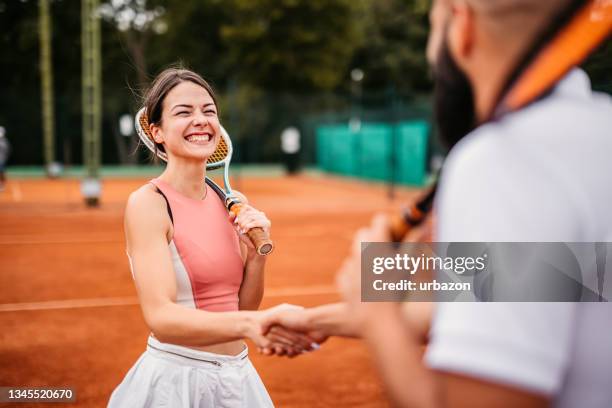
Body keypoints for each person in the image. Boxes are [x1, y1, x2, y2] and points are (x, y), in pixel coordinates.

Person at [263, 0, 612, 407]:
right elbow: (533, 283)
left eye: (432, 28)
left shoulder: (504, 159)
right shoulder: (597, 132)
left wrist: (374, 313)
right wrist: (315, 320)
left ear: (461, 25)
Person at [108, 68, 317, 408]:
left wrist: (256, 258)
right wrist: (253, 323)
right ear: (157, 132)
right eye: (184, 112)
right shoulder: (148, 203)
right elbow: (161, 316)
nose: (201, 120)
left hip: (237, 375)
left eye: (208, 111)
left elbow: (241, 309)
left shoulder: (230, 203)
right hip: (178, 381)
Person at [0, 126, 10, 192]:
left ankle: (2, 185)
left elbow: (7, 152)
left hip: (1, 160)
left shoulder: (5, 142)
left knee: (1, 173)